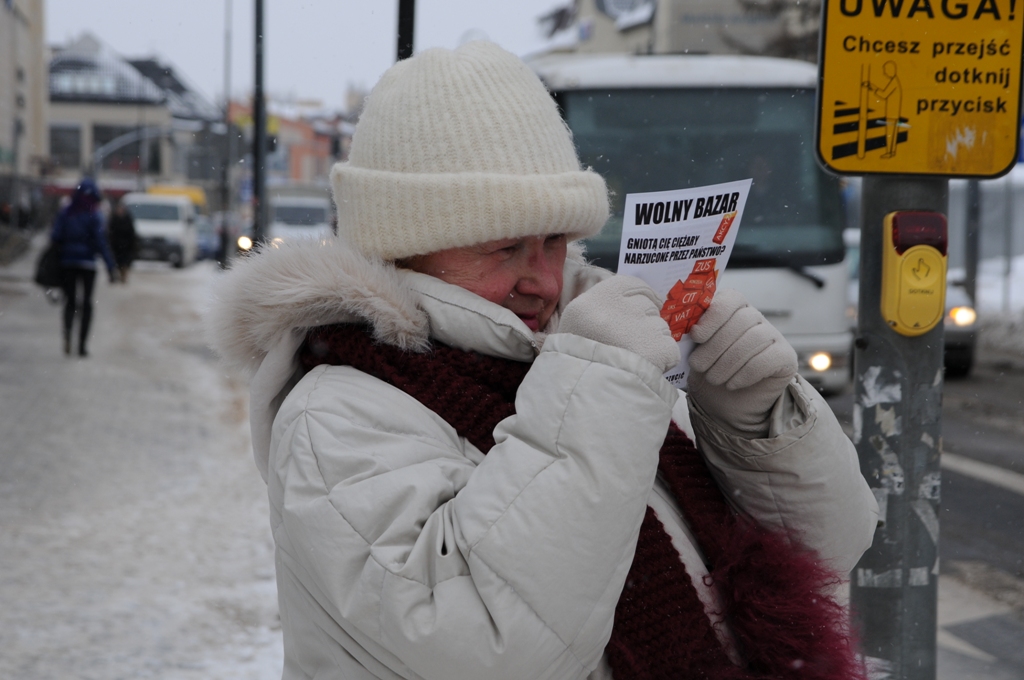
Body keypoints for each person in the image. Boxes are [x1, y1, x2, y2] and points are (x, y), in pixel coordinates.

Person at [208, 42, 878, 680]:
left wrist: (754, 421)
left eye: (555, 240)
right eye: (505, 248)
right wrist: (602, 390)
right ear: (405, 247)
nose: (545, 280)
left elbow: (825, 556)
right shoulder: (335, 415)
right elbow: (488, 642)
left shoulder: (589, 361)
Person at [51, 179, 116, 356]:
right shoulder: (94, 216)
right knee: (86, 304)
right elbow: (101, 242)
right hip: (88, 264)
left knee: (70, 302)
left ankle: (67, 334)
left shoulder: (66, 213)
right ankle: (81, 346)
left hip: (68, 263)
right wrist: (110, 266)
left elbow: (55, 236)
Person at [107, 200, 138, 283]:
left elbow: (131, 233)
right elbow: (110, 232)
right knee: (117, 261)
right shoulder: (114, 219)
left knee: (125, 262)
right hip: (116, 245)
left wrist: (132, 244)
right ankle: (117, 275)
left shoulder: (128, 219)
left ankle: (123, 276)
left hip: (126, 245)